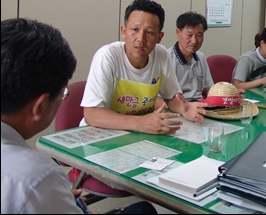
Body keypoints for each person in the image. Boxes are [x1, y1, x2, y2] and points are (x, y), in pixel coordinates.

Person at [1, 18, 157, 214]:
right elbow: (93, 113)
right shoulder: (38, 178)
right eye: (62, 94)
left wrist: (56, 199)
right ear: (39, 106)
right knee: (143, 210)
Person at [81, 0, 207, 135]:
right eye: (135, 29)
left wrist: (184, 109)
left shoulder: (161, 54)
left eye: (149, 32)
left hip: (140, 134)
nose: (140, 39)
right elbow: (91, 114)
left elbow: (170, 97)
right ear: (123, 31)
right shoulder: (107, 56)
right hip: (100, 135)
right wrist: (140, 123)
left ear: (159, 37)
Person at [166, 12, 214, 101]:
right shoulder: (167, 59)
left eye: (199, 35)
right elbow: (163, 97)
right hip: (177, 109)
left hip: (200, 106)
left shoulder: (201, 57)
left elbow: (208, 89)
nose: (194, 41)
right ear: (178, 33)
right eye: (189, 35)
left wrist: (226, 94)